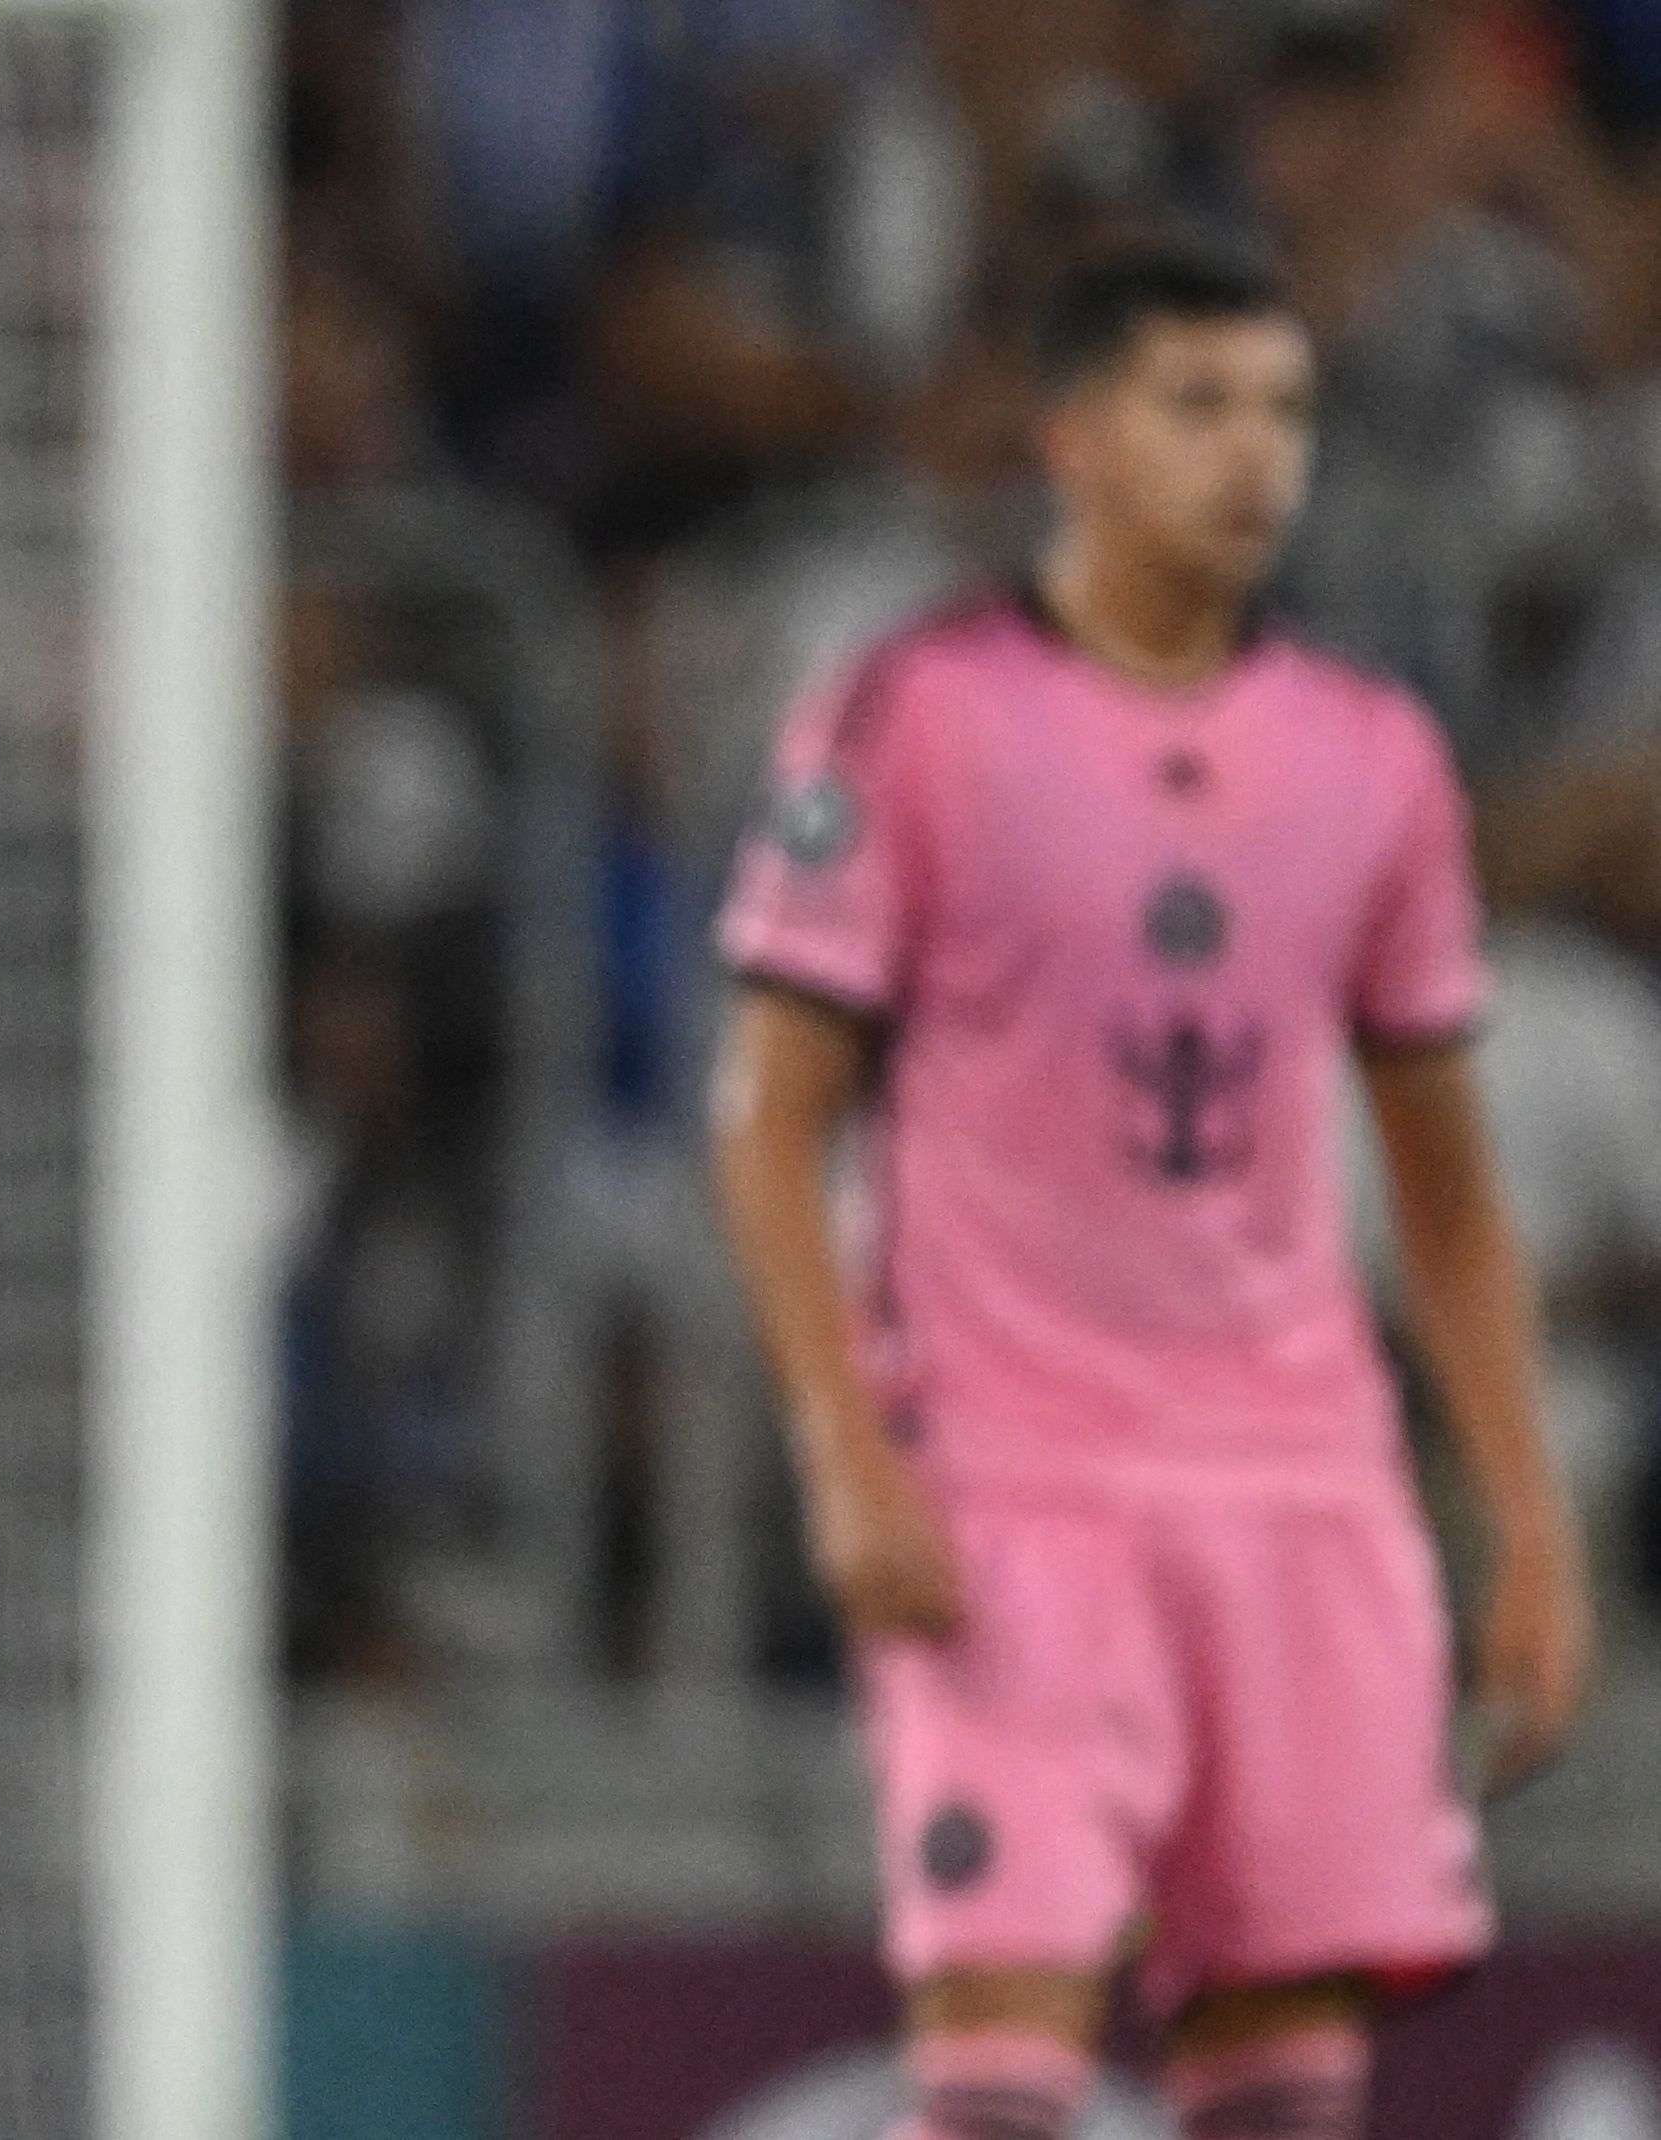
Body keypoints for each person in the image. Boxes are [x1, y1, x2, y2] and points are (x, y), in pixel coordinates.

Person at [707, 247, 1594, 2140]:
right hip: (1011, 1481)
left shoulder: (1375, 761)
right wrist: (840, 1450)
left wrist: (1526, 1510)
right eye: (1197, 406)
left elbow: (1444, 1187)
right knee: (1004, 2080)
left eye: (1282, 410)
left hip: (1295, 1485)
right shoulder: (912, 715)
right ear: (1076, 442)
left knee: (1283, 2094)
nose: (1253, 456)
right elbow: (768, 1118)